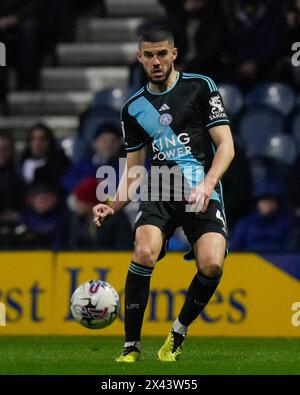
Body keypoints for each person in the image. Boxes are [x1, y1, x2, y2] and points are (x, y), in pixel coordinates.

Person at [92, 26, 235, 362]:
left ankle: (177, 334)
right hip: (159, 188)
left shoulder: (201, 87)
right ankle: (131, 346)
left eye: (161, 54)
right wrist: (112, 205)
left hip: (200, 185)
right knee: (143, 252)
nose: (155, 61)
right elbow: (135, 170)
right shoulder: (134, 107)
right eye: (148, 55)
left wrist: (209, 182)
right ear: (140, 58)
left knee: (212, 264)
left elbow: (226, 146)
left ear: (174, 54)